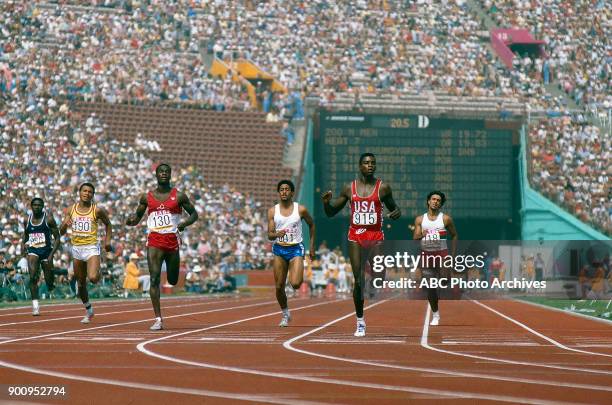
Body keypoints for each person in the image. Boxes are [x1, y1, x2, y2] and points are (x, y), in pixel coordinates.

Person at [321, 153, 401, 336]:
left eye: (373, 163)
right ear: (360, 166)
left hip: (375, 236)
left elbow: (395, 209)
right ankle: (360, 321)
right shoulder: (349, 188)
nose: (370, 165)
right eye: (366, 163)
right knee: (358, 280)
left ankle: (374, 284)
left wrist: (396, 213)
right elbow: (331, 212)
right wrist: (326, 203)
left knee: (379, 274)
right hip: (356, 236)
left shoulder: (383, 188)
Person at [126, 163, 198, 330]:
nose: (164, 174)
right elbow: (137, 216)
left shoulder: (179, 196)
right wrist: (131, 222)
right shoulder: (146, 197)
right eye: (161, 172)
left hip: (172, 241)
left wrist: (184, 223)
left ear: (170, 175)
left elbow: (194, 214)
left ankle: (170, 280)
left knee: (172, 280)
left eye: (167, 172)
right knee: (154, 278)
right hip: (154, 241)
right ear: (156, 175)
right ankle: (158, 319)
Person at [60, 182, 112, 324]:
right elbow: (61, 231)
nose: (87, 193)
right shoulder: (71, 209)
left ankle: (98, 270)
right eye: (84, 191)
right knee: (81, 284)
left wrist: (107, 241)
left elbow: (108, 224)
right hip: (76, 249)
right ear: (80, 192)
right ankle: (88, 310)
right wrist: (65, 224)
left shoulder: (97, 210)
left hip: (91, 247)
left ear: (92, 195)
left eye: (90, 192)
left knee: (94, 278)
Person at [268, 179, 315, 327]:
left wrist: (312, 247)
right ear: (278, 192)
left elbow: (312, 225)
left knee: (295, 284)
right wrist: (277, 234)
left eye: (287, 189)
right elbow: (269, 235)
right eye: (281, 189)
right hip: (279, 249)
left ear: (292, 192)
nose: (284, 192)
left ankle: (294, 272)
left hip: (295, 248)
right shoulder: (272, 211)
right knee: (278, 286)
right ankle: (285, 313)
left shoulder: (300, 210)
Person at [413, 191, 458, 326]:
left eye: (438, 200)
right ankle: (436, 314)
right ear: (428, 201)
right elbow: (415, 238)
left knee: (444, 281)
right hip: (426, 255)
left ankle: (444, 279)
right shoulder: (420, 220)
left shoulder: (446, 219)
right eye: (433, 199)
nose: (435, 201)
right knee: (431, 288)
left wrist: (452, 256)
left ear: (441, 204)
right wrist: (422, 233)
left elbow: (454, 235)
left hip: (442, 254)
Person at [21, 198, 61, 315]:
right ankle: (35, 306)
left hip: (46, 251)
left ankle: (50, 285)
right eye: (35, 205)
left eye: (39, 205)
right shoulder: (26, 219)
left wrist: (51, 254)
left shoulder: (49, 219)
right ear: (31, 206)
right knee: (33, 276)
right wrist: (23, 244)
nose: (37, 207)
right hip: (33, 250)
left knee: (49, 281)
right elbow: (26, 234)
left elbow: (57, 238)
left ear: (43, 206)